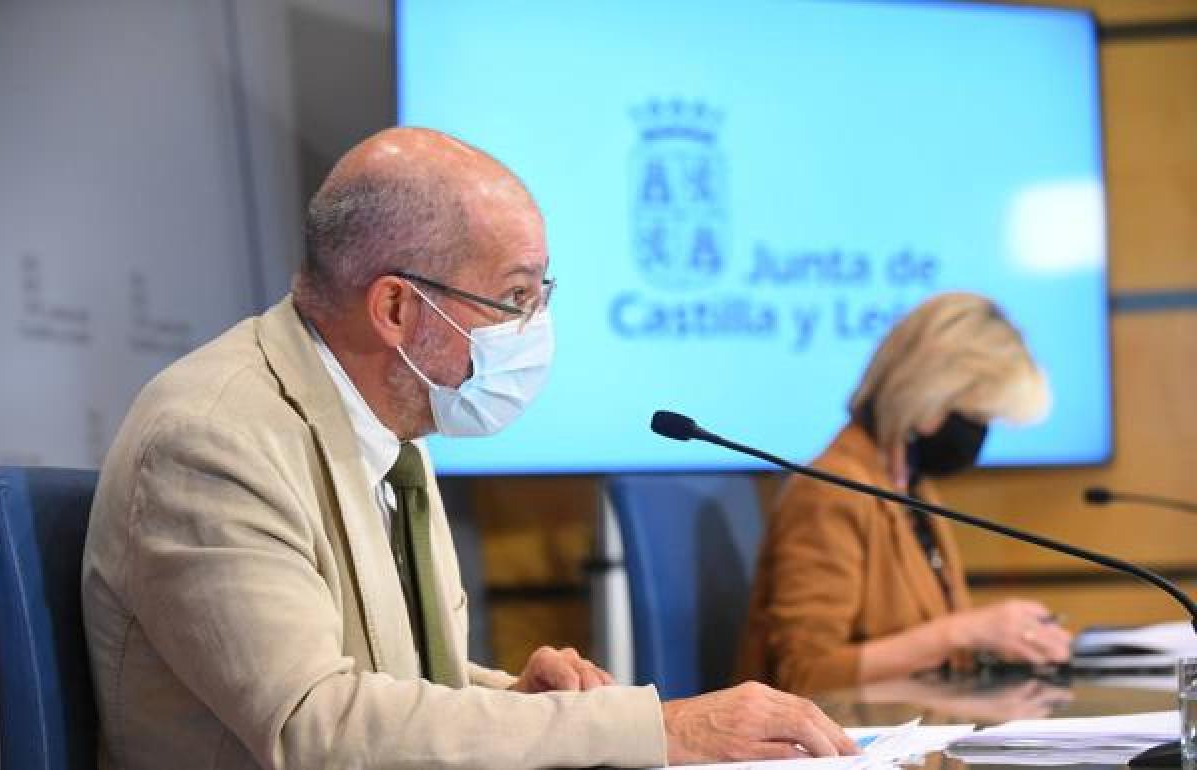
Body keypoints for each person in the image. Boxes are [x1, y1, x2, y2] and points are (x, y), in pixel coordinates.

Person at [81, 126, 857, 769]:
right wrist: (656, 729)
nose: (534, 330)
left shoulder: (391, 433)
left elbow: (395, 687)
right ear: (395, 307)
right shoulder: (214, 439)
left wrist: (508, 701)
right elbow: (317, 727)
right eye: (515, 298)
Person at [737, 292, 1073, 696]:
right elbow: (805, 677)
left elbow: (934, 647)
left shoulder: (912, 489)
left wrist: (1001, 643)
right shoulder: (829, 491)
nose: (980, 435)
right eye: (977, 416)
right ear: (929, 396)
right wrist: (964, 631)